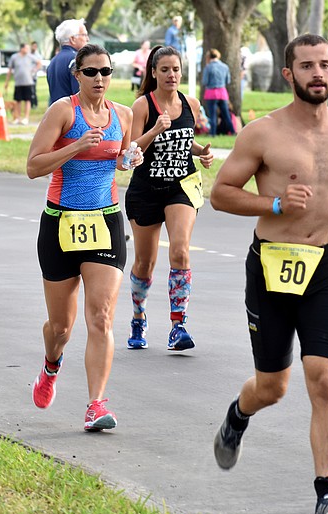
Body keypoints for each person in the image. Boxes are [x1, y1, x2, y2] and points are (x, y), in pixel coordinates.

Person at [209, 34, 328, 514]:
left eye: (325, 65)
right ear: (288, 74)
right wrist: (275, 205)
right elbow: (221, 193)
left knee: (324, 379)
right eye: (306, 66)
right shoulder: (262, 134)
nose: (317, 73)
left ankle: (327, 494)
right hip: (271, 266)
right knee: (273, 387)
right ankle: (238, 415)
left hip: (326, 265)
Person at [26, 44, 141, 432]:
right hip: (61, 222)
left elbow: (124, 156)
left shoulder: (122, 115)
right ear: (77, 74)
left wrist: (130, 158)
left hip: (105, 220)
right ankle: (51, 365)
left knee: (102, 316)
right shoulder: (63, 111)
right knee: (61, 327)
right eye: (91, 72)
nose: (99, 79)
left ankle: (96, 404)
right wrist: (76, 145)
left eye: (105, 72)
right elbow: (32, 166)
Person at [125, 45, 214, 352]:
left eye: (176, 69)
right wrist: (155, 129)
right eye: (165, 70)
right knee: (144, 263)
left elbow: (183, 140)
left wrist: (201, 152)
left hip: (181, 187)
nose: (171, 75)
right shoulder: (143, 105)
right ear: (153, 73)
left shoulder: (191, 103)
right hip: (146, 191)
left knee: (180, 251)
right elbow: (131, 149)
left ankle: (179, 325)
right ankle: (138, 317)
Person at [46, 19, 89, 105]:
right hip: (72, 115)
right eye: (84, 35)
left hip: (56, 113)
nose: (87, 39)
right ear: (73, 39)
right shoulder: (77, 60)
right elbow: (81, 97)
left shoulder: (53, 61)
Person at [4, 43, 41, 125]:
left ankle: (26, 118)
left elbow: (39, 63)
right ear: (22, 48)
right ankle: (18, 117)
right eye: (26, 48)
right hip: (18, 82)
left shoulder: (30, 56)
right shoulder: (14, 57)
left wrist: (34, 70)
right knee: (18, 101)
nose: (27, 50)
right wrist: (7, 82)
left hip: (28, 82)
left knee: (28, 100)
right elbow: (10, 69)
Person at [201, 49, 234, 136]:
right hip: (222, 92)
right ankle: (233, 131)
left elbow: (205, 81)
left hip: (211, 93)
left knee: (212, 114)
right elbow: (228, 80)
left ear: (209, 57)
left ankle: (213, 133)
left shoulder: (208, 67)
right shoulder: (225, 66)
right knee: (226, 114)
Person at [29, 41, 41, 108]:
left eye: (35, 46)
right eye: (33, 46)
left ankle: (35, 104)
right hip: (27, 76)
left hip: (33, 76)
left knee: (33, 90)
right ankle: (30, 104)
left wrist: (34, 71)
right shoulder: (28, 54)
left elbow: (39, 65)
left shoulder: (37, 55)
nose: (34, 47)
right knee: (29, 90)